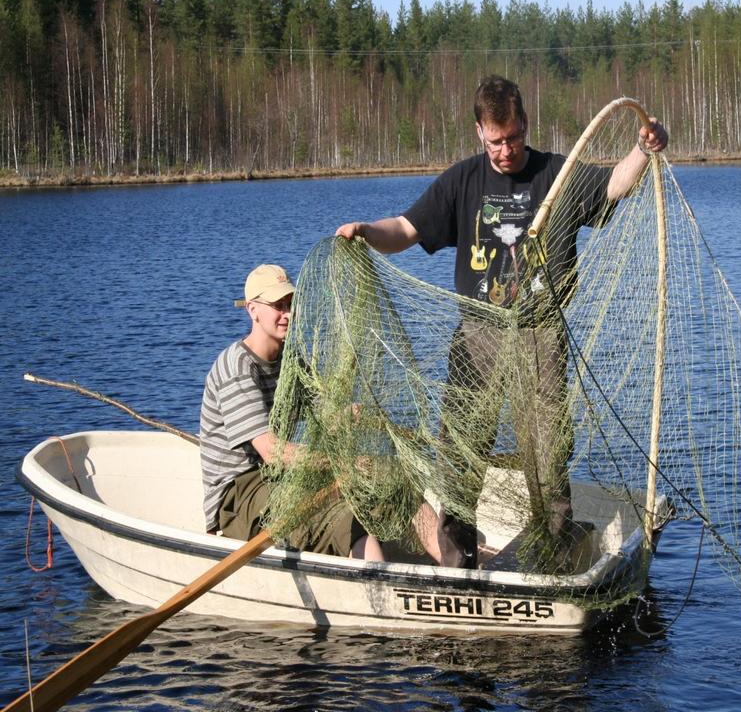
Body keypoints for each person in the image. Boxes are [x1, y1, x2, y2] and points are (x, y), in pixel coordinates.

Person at [335, 75, 668, 571]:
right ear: (479, 133)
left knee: (546, 451)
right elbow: (404, 229)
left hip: (540, 334)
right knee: (461, 452)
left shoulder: (557, 172)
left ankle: (553, 555)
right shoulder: (462, 181)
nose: (506, 150)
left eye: (513, 137)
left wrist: (644, 150)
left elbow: (615, 185)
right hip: (477, 335)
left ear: (524, 125)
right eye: (496, 141)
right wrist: (365, 231)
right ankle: (456, 560)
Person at [199, 263, 385, 560]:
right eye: (277, 305)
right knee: (347, 521)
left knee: (376, 494)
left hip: (280, 476)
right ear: (253, 310)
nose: (287, 313)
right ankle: (376, 592)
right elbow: (272, 452)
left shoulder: (291, 360)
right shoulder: (237, 367)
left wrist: (354, 414)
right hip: (239, 494)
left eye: (290, 304)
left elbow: (328, 416)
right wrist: (342, 464)